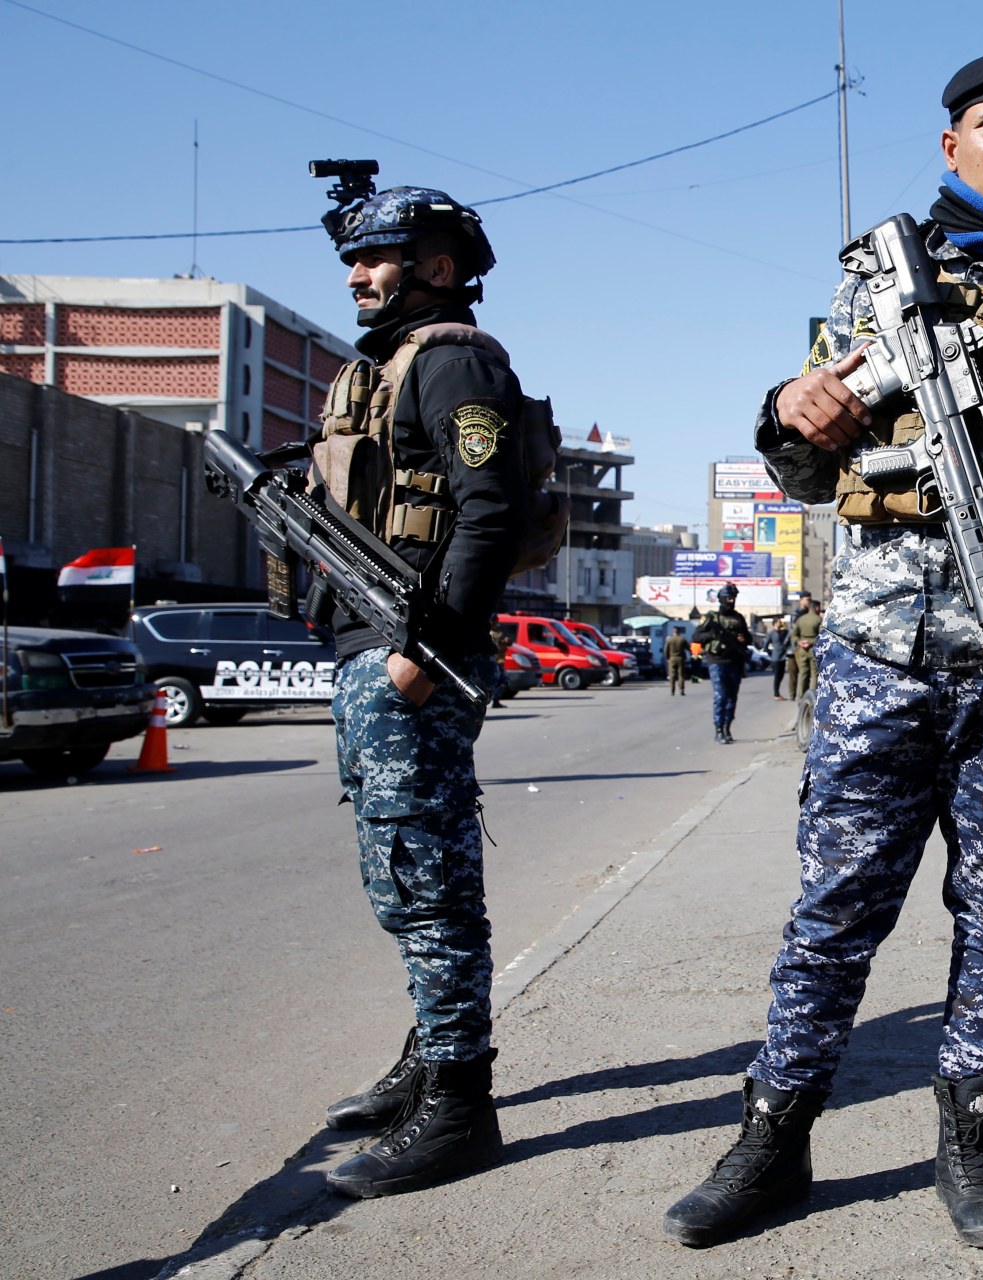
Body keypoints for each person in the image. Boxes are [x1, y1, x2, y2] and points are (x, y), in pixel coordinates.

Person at [664, 47, 983, 1250]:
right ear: (950, 142)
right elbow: (808, 461)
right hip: (877, 658)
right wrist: (787, 412)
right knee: (835, 906)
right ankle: (776, 1128)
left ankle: (971, 1127)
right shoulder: (873, 286)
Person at [314, 183, 526, 1196]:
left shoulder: (452, 360)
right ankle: (426, 1057)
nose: (357, 275)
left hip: (416, 657)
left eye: (377, 256)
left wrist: (422, 652)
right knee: (399, 868)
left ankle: (459, 1103)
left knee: (431, 878)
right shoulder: (392, 363)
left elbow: (489, 510)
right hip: (378, 646)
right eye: (352, 258)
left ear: (436, 265)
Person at [692, 582, 751, 743]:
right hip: (717, 660)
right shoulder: (712, 618)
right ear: (721, 599)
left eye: (733, 598)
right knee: (721, 696)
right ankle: (718, 729)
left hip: (735, 660)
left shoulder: (738, 618)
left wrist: (742, 639)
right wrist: (714, 635)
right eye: (728, 598)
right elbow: (697, 637)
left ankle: (727, 728)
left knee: (732, 697)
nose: (731, 601)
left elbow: (748, 638)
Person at [789, 597, 823, 703]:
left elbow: (793, 635)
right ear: (816, 608)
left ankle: (801, 697)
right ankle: (813, 697)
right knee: (814, 674)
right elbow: (821, 636)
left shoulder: (801, 619)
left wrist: (800, 642)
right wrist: (811, 642)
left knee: (803, 673)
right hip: (813, 648)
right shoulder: (818, 620)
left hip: (802, 649)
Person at [765, 617, 791, 700]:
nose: (781, 623)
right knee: (777, 676)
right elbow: (765, 646)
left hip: (783, 656)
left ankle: (777, 693)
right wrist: (771, 654)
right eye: (779, 622)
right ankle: (776, 694)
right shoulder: (771, 633)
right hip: (775, 657)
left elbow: (788, 637)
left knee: (781, 675)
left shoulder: (783, 632)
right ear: (775, 623)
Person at [663, 626, 689, 696]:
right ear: (679, 632)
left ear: (673, 631)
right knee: (681, 675)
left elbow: (665, 650)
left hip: (672, 658)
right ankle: (681, 690)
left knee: (672, 675)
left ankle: (672, 690)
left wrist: (668, 658)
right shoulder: (682, 639)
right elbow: (688, 648)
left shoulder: (669, 640)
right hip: (681, 658)